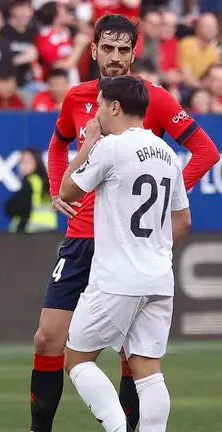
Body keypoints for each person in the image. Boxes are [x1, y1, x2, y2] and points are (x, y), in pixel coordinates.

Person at [29, 14, 220, 432]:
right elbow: (58, 141)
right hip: (83, 236)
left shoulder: (153, 99)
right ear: (93, 49)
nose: (115, 59)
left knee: (132, 357)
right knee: (48, 337)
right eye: (107, 49)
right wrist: (59, 193)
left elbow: (205, 151)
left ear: (134, 52)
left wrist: (169, 197)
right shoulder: (77, 97)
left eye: (123, 50)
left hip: (128, 242)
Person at [59, 75, 191, 432]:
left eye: (100, 105)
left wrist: (86, 145)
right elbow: (183, 219)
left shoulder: (111, 147)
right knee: (148, 372)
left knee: (77, 358)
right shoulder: (168, 154)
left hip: (116, 277)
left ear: (114, 107)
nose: (97, 111)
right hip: (159, 277)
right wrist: (157, 253)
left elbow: (67, 191)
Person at [4, 148, 57, 233]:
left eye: (27, 162)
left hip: (31, 230)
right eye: (21, 162)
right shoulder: (45, 182)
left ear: (37, 163)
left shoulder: (30, 182)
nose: (23, 166)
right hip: (48, 229)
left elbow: (20, 207)